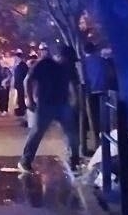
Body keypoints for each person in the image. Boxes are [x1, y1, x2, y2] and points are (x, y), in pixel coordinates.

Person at [18, 44, 82, 172]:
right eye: (69, 60)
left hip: (62, 104)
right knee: (37, 133)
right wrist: (30, 99)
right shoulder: (44, 64)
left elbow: (74, 84)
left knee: (72, 133)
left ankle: (74, 160)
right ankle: (25, 161)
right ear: (61, 57)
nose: (70, 63)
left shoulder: (68, 67)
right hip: (45, 104)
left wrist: (75, 101)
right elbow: (28, 80)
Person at [80, 41, 111, 154]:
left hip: (90, 93)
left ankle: (97, 143)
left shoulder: (83, 63)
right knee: (104, 117)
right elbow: (108, 74)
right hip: (104, 91)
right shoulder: (102, 61)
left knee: (93, 119)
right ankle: (105, 140)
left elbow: (83, 80)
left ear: (84, 51)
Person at [11, 51, 29, 125]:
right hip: (19, 84)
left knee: (21, 99)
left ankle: (23, 113)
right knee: (20, 99)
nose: (14, 59)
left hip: (22, 84)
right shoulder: (18, 65)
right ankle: (22, 113)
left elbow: (23, 76)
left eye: (15, 57)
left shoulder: (23, 65)